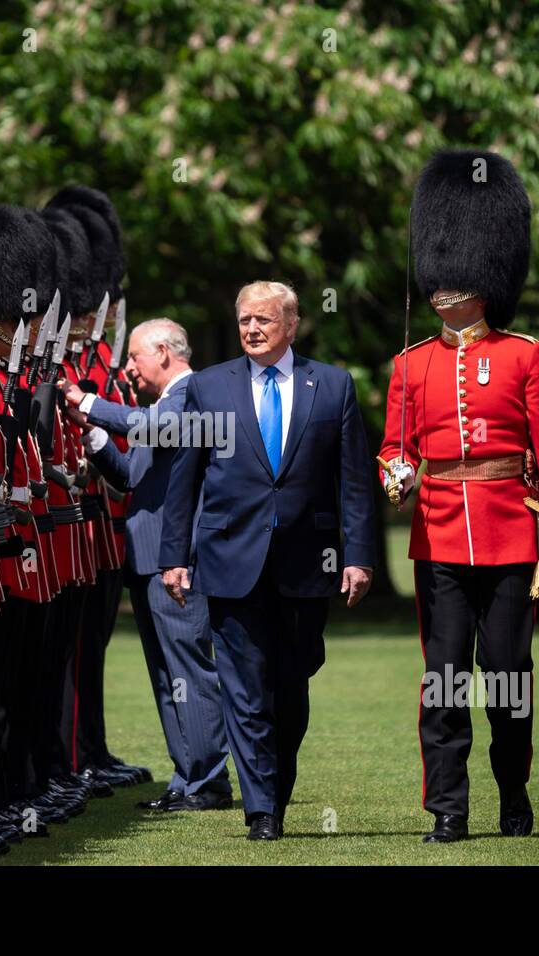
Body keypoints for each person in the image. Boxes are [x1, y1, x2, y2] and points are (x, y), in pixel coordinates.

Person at [377, 150, 539, 844]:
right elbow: (394, 446)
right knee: (444, 682)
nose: (438, 289)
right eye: (435, 279)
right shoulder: (411, 364)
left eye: (452, 279)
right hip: (436, 539)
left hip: (511, 540)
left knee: (509, 679)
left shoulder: (525, 356)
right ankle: (449, 808)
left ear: (482, 281)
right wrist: (396, 472)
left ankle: (513, 791)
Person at [159, 281, 376, 840]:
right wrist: (173, 558)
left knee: (291, 688)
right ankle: (262, 812)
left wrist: (359, 558)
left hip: (309, 563)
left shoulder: (333, 386)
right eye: (245, 320)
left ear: (292, 324)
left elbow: (354, 483)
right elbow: (185, 477)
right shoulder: (208, 388)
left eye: (264, 320)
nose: (253, 330)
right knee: (244, 688)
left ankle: (274, 793)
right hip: (230, 560)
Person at [63, 318, 233, 812]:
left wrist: (90, 401)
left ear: (163, 351)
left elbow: (155, 429)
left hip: (174, 559)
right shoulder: (158, 406)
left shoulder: (191, 394)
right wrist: (92, 433)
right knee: (165, 672)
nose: (128, 368)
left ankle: (209, 780)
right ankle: (187, 776)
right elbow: (130, 475)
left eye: (135, 357)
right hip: (147, 555)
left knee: (187, 668)